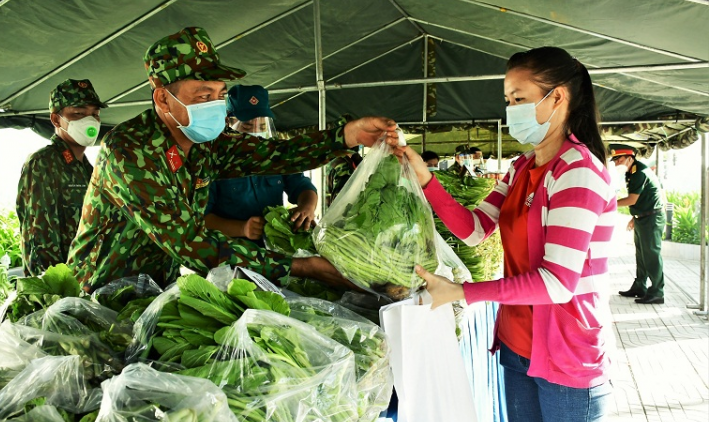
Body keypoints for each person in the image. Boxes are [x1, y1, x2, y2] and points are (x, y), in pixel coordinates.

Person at [66, 27, 397, 292]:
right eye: (203, 96)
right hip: (101, 290)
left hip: (154, 284)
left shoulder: (207, 142)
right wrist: (302, 267)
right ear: (163, 99)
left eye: (220, 95)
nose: (215, 104)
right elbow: (189, 243)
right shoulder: (129, 151)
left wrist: (345, 136)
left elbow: (274, 153)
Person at [395, 46, 616, 421]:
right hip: (517, 344)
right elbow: (475, 230)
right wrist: (425, 179)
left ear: (558, 97)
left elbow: (557, 283)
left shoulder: (578, 172)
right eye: (508, 99)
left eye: (520, 99)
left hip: (566, 353)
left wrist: (463, 292)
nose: (511, 109)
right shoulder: (522, 167)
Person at [16, 79, 107, 276]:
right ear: (56, 120)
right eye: (79, 113)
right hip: (60, 287)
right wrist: (54, 289)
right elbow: (37, 238)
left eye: (95, 114)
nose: (90, 121)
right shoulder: (43, 163)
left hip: (85, 282)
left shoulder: (87, 168)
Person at [205, 85, 318, 243]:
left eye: (262, 126)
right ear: (228, 123)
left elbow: (302, 186)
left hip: (273, 249)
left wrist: (308, 207)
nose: (255, 133)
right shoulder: (213, 161)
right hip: (231, 252)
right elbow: (203, 219)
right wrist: (242, 228)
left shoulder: (274, 155)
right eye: (247, 126)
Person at [611, 144, 666, 304]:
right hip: (643, 217)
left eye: (619, 159)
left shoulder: (639, 172)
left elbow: (632, 199)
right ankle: (640, 286)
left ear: (630, 158)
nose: (616, 163)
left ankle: (657, 291)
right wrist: (635, 216)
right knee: (641, 254)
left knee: (651, 255)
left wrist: (608, 204)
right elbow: (641, 199)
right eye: (615, 160)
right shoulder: (632, 172)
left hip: (652, 218)